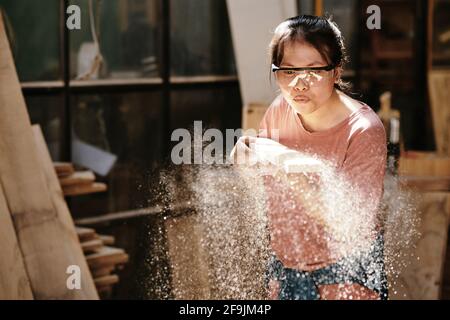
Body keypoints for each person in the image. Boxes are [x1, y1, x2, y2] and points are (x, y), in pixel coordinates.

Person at [232, 15, 388, 300]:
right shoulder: (280, 109)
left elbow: (349, 222)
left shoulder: (364, 130)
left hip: (346, 276)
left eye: (314, 70)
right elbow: (264, 189)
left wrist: (285, 161)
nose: (299, 84)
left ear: (336, 72)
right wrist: (245, 160)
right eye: (288, 72)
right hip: (287, 271)